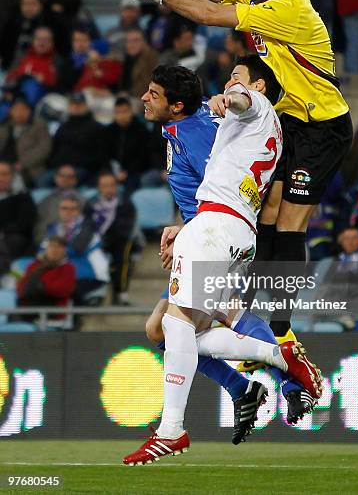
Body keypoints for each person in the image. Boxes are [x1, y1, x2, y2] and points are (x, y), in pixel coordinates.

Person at [125, 0, 353, 338]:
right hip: (288, 119)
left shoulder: (293, 9)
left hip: (323, 126)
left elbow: (212, 15)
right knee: (265, 213)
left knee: (288, 224)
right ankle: (242, 315)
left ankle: (282, 330)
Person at [123, 62, 321, 466]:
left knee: (187, 322)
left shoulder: (209, 127)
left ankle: (275, 374)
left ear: (176, 105)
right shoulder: (198, 126)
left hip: (214, 228)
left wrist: (186, 229)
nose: (144, 98)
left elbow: (215, 180)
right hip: (223, 229)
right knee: (168, 329)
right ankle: (254, 382)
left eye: (154, 94)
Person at [45, 193, 109, 304]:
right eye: (64, 208)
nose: (68, 212)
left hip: (88, 274)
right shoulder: (53, 229)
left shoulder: (88, 227)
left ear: (79, 212)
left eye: (72, 209)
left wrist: (52, 251)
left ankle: (74, 319)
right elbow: (43, 252)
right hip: (63, 274)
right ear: (59, 211)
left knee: (65, 290)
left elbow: (75, 249)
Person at [85, 172, 136, 305]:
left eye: (111, 185)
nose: (108, 189)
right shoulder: (91, 204)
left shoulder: (124, 202)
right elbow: (87, 225)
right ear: (99, 187)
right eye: (105, 186)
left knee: (123, 257)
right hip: (97, 240)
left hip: (120, 239)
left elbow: (127, 226)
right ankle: (95, 294)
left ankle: (121, 293)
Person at [42, 93, 108, 187]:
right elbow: (54, 151)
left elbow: (100, 155)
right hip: (59, 168)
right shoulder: (63, 127)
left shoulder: (96, 127)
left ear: (86, 106)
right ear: (69, 106)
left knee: (65, 180)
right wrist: (59, 166)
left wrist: (74, 166)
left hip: (84, 168)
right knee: (42, 182)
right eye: (73, 104)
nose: (76, 107)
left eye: (79, 104)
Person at [104, 96, 164, 194]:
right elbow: (105, 155)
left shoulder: (141, 131)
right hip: (113, 172)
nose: (122, 116)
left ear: (131, 111)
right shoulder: (109, 131)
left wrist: (127, 172)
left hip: (135, 172)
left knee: (131, 188)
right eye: (118, 112)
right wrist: (112, 172)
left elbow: (143, 157)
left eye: (125, 111)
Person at [16, 236, 76, 320]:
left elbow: (64, 289)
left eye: (59, 247)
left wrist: (43, 286)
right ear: (46, 249)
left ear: (64, 250)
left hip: (54, 305)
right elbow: (21, 286)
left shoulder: (68, 268)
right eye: (51, 246)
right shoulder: (33, 266)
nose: (55, 250)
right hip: (29, 302)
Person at [0, 97, 51, 187]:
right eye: (16, 110)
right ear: (10, 111)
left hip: (29, 168)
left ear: (29, 111)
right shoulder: (4, 126)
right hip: (3, 167)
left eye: (23, 110)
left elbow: (44, 148)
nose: (20, 113)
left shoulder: (39, 125)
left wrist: (23, 163)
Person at [4, 26, 60, 106]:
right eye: (38, 39)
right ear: (33, 40)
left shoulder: (57, 61)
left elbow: (58, 86)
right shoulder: (23, 55)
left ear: (52, 43)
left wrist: (44, 80)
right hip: (15, 94)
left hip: (41, 99)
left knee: (32, 85)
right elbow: (9, 77)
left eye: (46, 40)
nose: (42, 43)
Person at [0, 160, 36, 275]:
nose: (1, 178)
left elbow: (24, 225)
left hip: (14, 239)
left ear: (13, 176)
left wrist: (2, 232)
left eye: (5, 174)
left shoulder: (23, 198)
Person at [34, 164, 82, 244]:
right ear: (56, 178)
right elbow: (38, 222)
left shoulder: (81, 200)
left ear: (75, 180)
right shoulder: (45, 200)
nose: (65, 179)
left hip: (67, 242)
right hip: (43, 241)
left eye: (70, 177)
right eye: (62, 175)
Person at [117, 29, 158, 101]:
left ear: (144, 42)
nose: (132, 45)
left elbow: (149, 84)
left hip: (143, 99)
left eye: (136, 41)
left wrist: (128, 93)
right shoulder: (126, 58)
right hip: (124, 96)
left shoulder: (150, 57)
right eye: (129, 41)